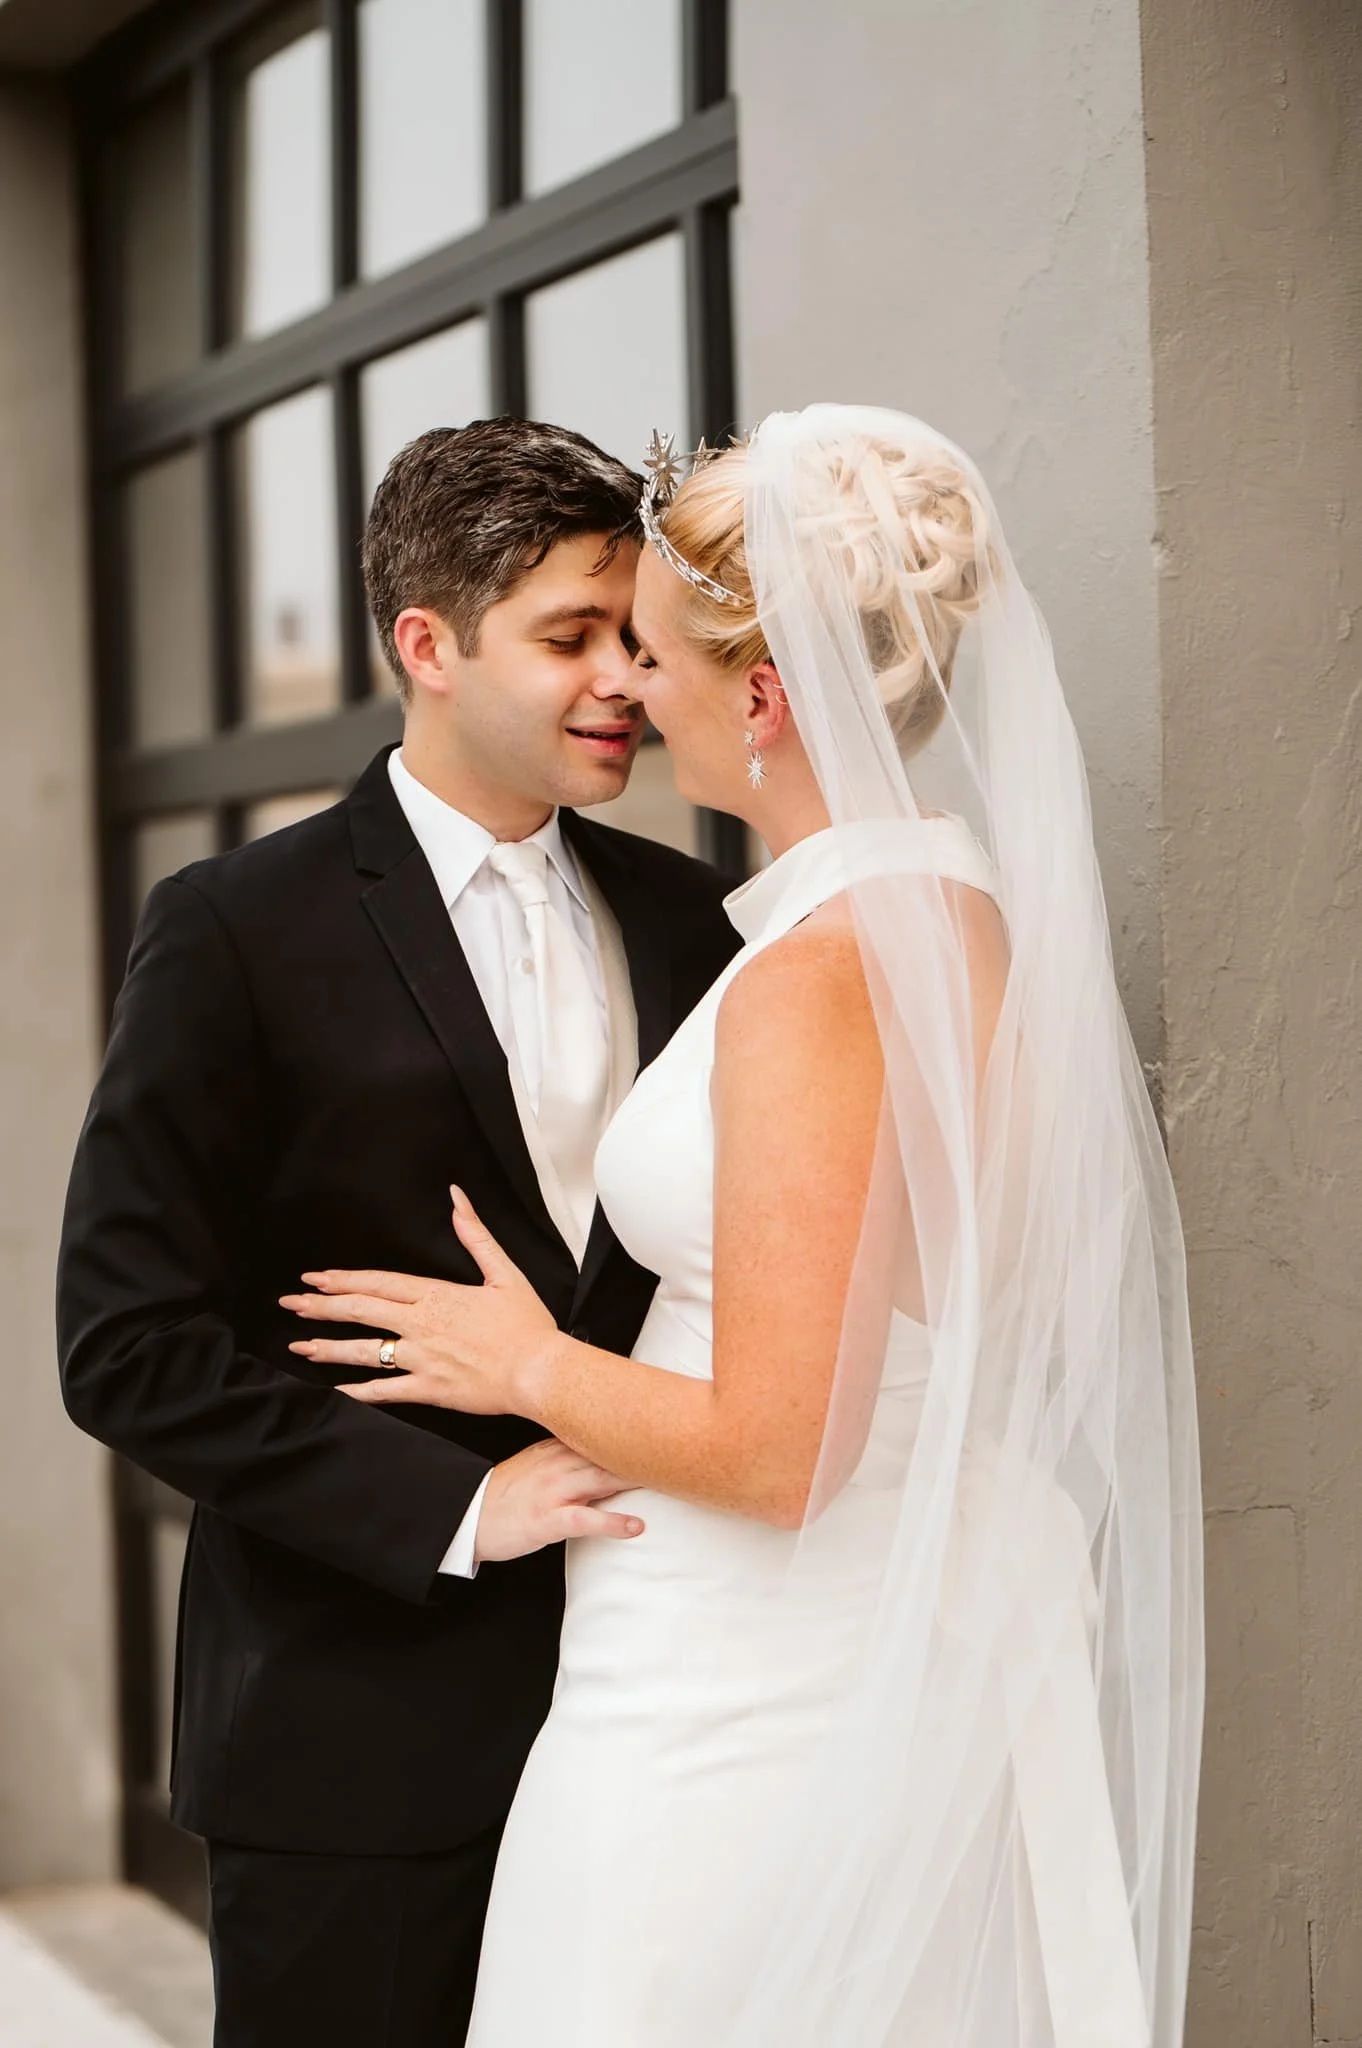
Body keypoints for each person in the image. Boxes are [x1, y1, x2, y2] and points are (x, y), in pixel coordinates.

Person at [287, 406, 1205, 2046]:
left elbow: (786, 1452)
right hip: (816, 1640)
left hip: (746, 1686)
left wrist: (527, 1360)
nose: (625, 689)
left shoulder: (820, 975)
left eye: (643, 647)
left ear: (762, 698)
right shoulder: (944, 914)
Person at [56, 417, 739, 2048]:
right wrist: (462, 1505)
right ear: (425, 646)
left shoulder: (692, 922)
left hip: (660, 1703)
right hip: (349, 1732)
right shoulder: (231, 930)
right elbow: (127, 1346)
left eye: (634, 641)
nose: (624, 686)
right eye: (569, 638)